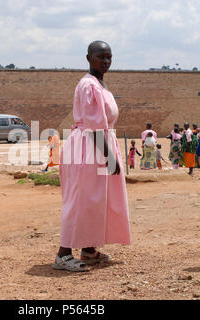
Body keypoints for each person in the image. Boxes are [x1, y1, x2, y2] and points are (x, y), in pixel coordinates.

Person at [54, 40, 131, 272]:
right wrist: (109, 157)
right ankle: (63, 254)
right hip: (89, 147)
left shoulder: (99, 84)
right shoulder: (89, 85)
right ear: (88, 58)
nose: (106, 61)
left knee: (95, 198)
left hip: (97, 145)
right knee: (80, 198)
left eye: (109, 57)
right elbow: (95, 126)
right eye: (101, 57)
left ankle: (88, 249)